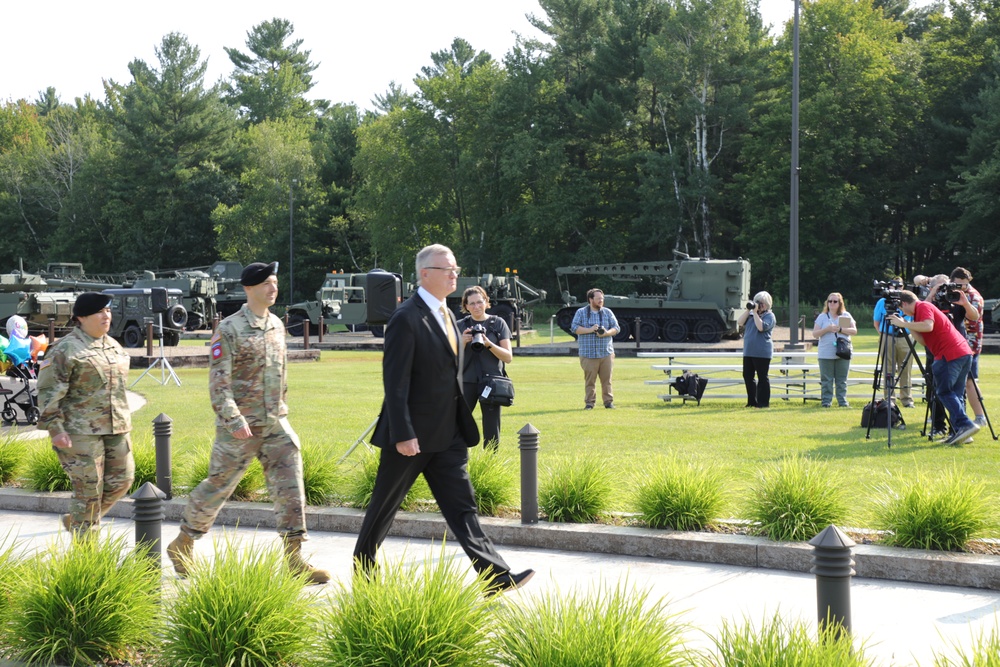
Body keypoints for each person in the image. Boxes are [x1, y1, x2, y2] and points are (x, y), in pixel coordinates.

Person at [353, 244, 533, 595]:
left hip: (448, 432)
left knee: (462, 506)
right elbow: (396, 382)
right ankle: (364, 571)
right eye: (447, 269)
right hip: (412, 436)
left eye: (455, 268)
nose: (455, 274)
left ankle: (494, 575)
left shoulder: (448, 314)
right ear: (425, 274)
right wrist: (403, 433)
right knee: (384, 506)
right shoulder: (406, 317)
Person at [166, 262, 329, 584]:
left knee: (291, 487)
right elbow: (219, 385)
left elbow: (280, 375)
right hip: (239, 427)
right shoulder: (229, 329)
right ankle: (183, 542)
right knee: (218, 486)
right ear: (249, 288)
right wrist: (234, 420)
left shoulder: (277, 326)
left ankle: (294, 558)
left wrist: (281, 410)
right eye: (267, 283)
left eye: (276, 282)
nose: (274, 288)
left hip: (275, 424)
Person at [36, 292, 134, 534]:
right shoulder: (65, 349)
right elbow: (48, 392)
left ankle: (79, 520)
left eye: (108, 311)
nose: (106, 315)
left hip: (116, 428)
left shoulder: (114, 346)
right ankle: (86, 553)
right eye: (99, 312)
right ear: (81, 317)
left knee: (123, 480)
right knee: (89, 490)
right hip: (79, 432)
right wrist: (55, 429)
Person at [887, 291, 979, 446]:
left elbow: (928, 326)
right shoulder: (917, 315)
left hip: (949, 354)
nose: (902, 312)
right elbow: (924, 341)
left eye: (901, 308)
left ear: (904, 303)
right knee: (956, 394)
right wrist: (908, 325)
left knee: (943, 392)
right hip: (963, 352)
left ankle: (965, 425)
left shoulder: (923, 306)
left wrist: (903, 324)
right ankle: (962, 433)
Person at [456, 285, 513, 450]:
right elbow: (445, 356)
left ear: (486, 302)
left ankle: (489, 465)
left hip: (492, 382)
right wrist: (462, 341)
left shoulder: (497, 323)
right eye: (471, 303)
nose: (476, 307)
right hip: (466, 381)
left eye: (479, 302)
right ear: (465, 306)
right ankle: (458, 463)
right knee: (459, 425)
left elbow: (508, 357)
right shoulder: (460, 325)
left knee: (491, 429)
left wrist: (488, 344)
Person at [571, 288, 620, 409]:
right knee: (590, 381)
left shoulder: (607, 312)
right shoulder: (581, 312)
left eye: (602, 299)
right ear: (590, 299)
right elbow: (574, 328)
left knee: (607, 380)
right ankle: (589, 403)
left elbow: (616, 328)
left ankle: (608, 402)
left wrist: (606, 333)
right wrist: (590, 329)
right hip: (588, 354)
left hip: (606, 353)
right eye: (598, 299)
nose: (601, 301)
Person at [950, 267, 986, 427]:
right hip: (957, 341)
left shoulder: (973, 296)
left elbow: (973, 318)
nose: (962, 288)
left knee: (970, 380)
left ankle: (980, 416)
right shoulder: (950, 291)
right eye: (958, 284)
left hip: (970, 342)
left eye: (964, 284)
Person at [872, 277, 915, 408]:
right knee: (888, 369)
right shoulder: (882, 301)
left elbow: (914, 319)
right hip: (888, 335)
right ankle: (889, 399)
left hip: (906, 336)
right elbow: (877, 322)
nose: (896, 289)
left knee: (906, 369)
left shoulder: (909, 301)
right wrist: (885, 334)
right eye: (893, 286)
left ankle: (907, 399)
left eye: (899, 286)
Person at [813, 292, 858, 408]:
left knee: (841, 380)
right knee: (826, 380)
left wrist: (841, 329)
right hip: (825, 353)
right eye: (830, 301)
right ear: (827, 303)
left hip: (843, 351)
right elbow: (815, 334)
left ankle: (842, 402)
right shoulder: (822, 317)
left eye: (835, 301)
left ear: (840, 303)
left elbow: (854, 331)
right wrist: (827, 329)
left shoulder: (845, 315)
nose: (832, 303)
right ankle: (826, 402)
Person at [738, 291, 775, 408]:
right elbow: (739, 322)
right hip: (749, 351)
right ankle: (751, 401)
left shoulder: (769, 316)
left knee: (762, 377)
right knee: (747, 376)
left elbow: (761, 327)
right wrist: (748, 310)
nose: (759, 305)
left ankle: (763, 403)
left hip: (762, 352)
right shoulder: (750, 314)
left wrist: (755, 314)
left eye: (761, 303)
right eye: (757, 302)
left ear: (767, 304)